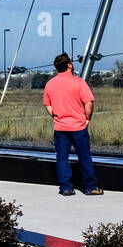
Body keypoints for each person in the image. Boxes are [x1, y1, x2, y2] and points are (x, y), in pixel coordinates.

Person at [42, 52, 102, 196]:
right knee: (84, 156)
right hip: (78, 126)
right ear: (69, 65)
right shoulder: (79, 82)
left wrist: (56, 116)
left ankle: (66, 188)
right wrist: (87, 119)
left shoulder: (50, 84)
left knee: (62, 158)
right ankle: (90, 187)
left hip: (60, 126)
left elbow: (47, 105)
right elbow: (89, 103)